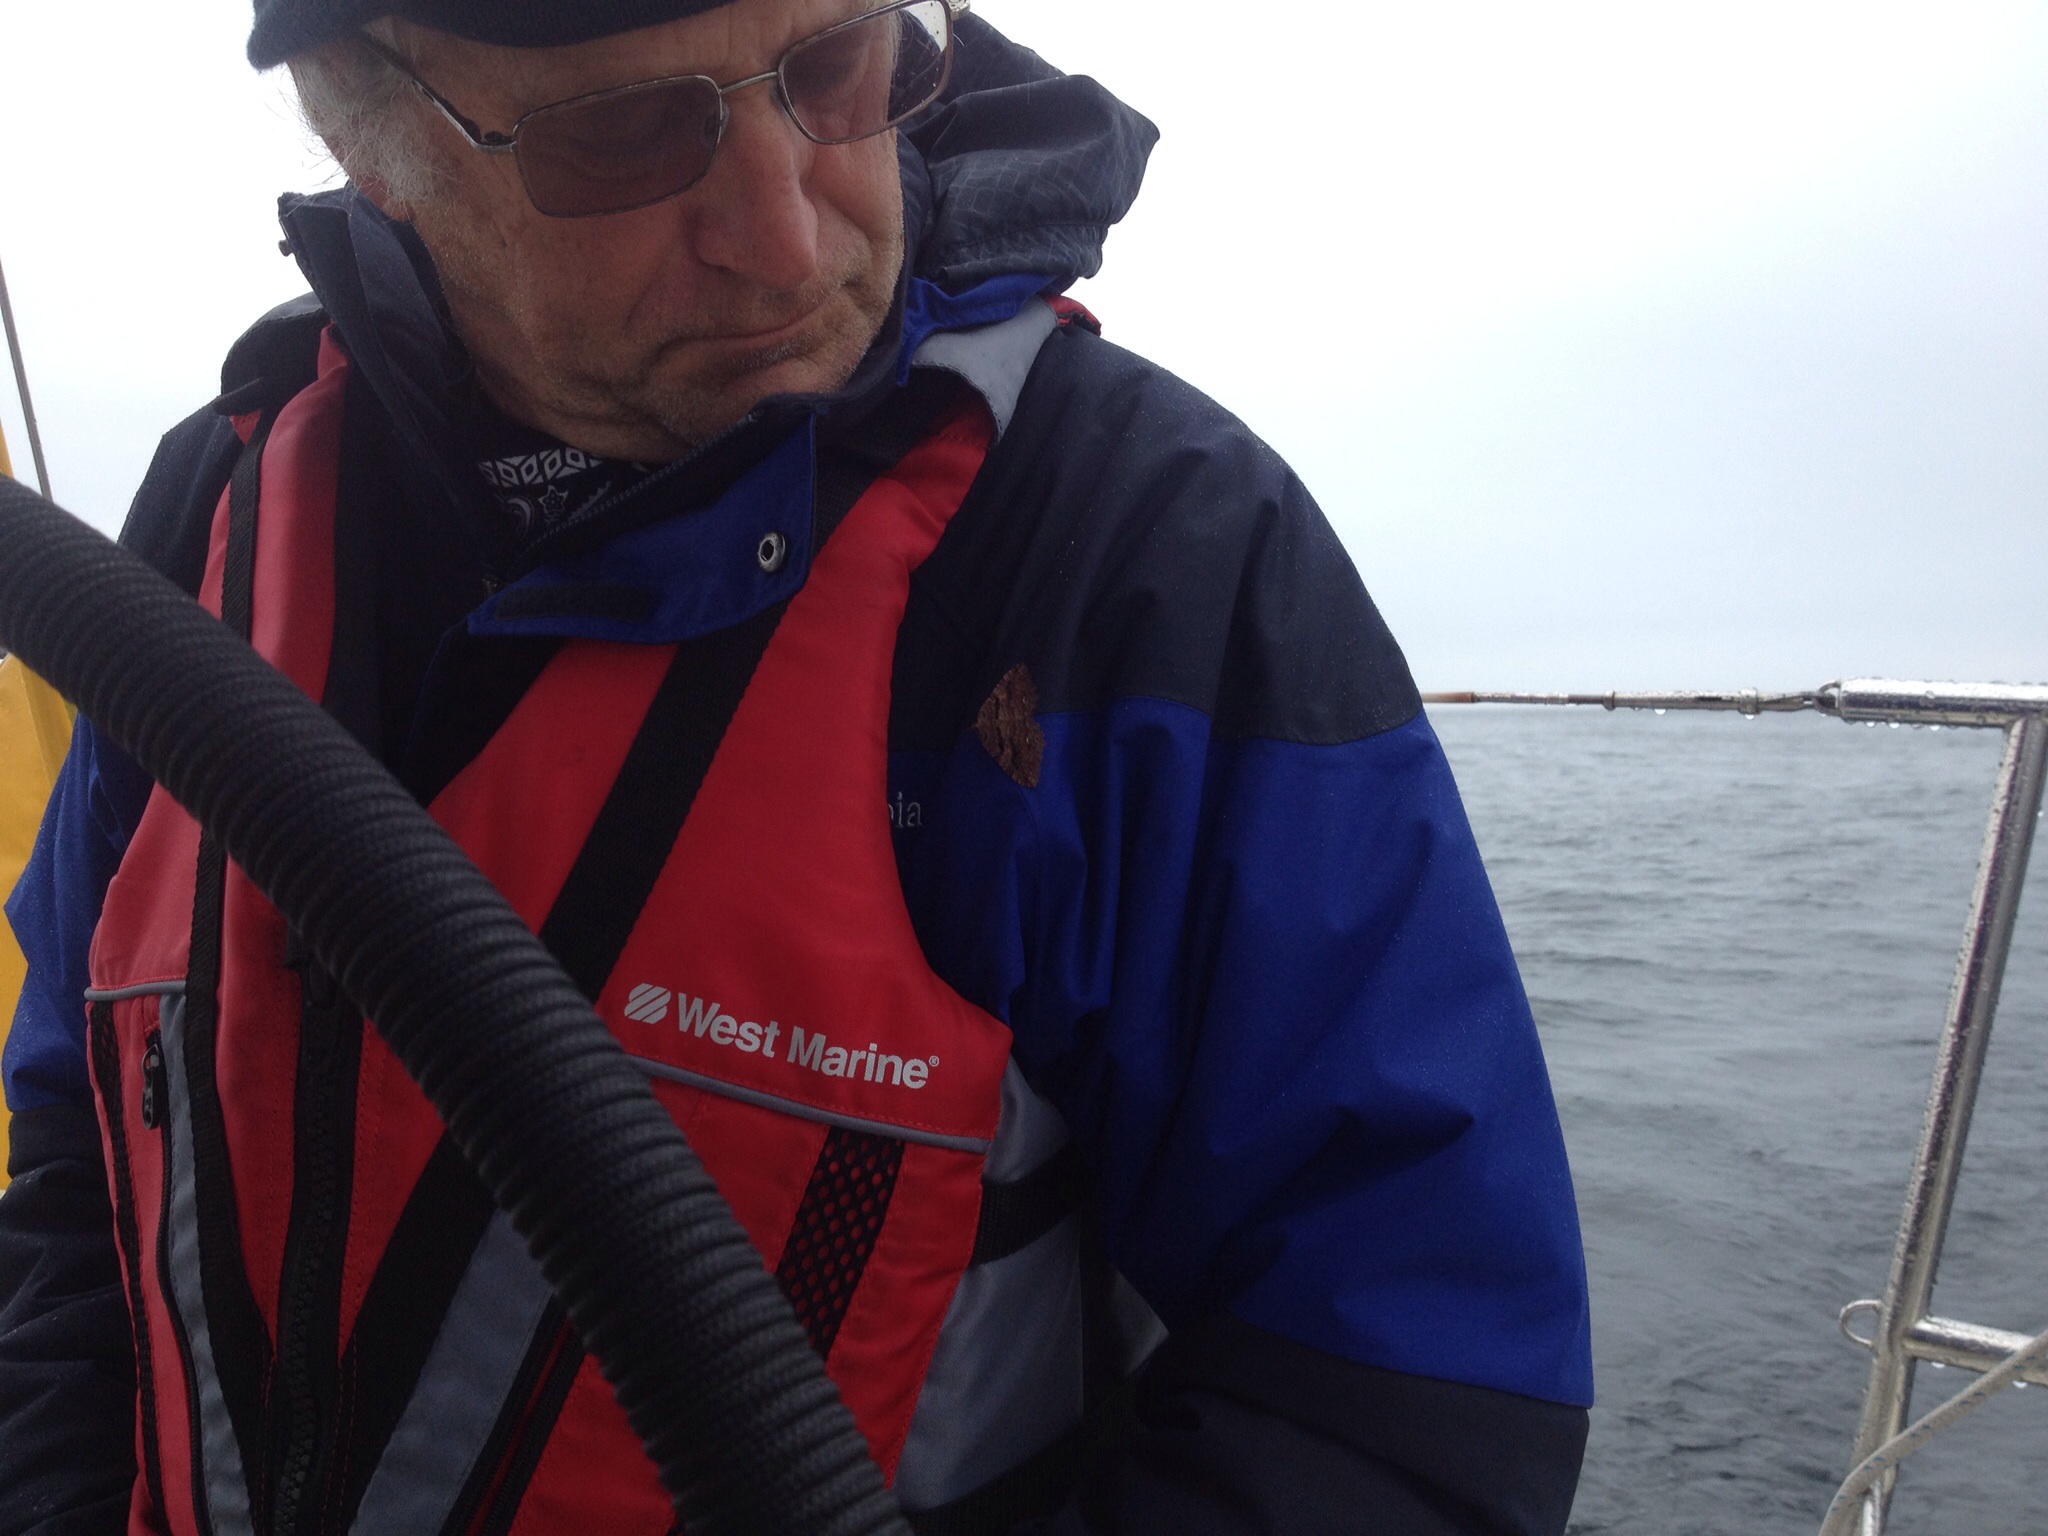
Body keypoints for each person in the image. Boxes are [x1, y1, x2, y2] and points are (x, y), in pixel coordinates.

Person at [0, 1, 1594, 1532]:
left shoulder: (1141, 561)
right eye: (626, 134)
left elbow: (1404, 1398)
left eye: (838, 64)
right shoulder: (210, 520)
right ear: (370, 132)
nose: (787, 234)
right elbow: (75, 1150)